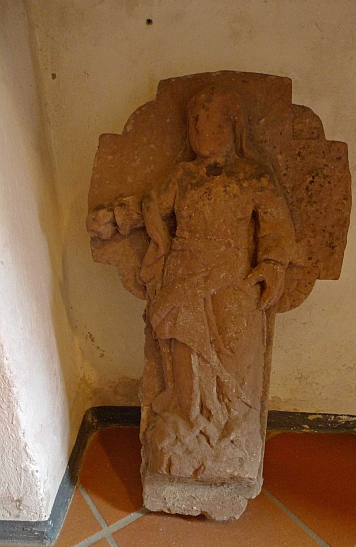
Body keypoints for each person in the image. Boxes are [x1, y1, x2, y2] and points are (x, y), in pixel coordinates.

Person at [87, 85, 296, 483]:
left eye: (212, 121)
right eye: (194, 122)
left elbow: (275, 223)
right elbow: (149, 204)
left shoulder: (252, 175)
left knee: (236, 349)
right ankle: (187, 424)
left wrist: (272, 264)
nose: (201, 129)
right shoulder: (183, 175)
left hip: (233, 276)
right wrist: (113, 218)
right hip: (183, 275)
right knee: (184, 357)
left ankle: (233, 432)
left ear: (233, 126)